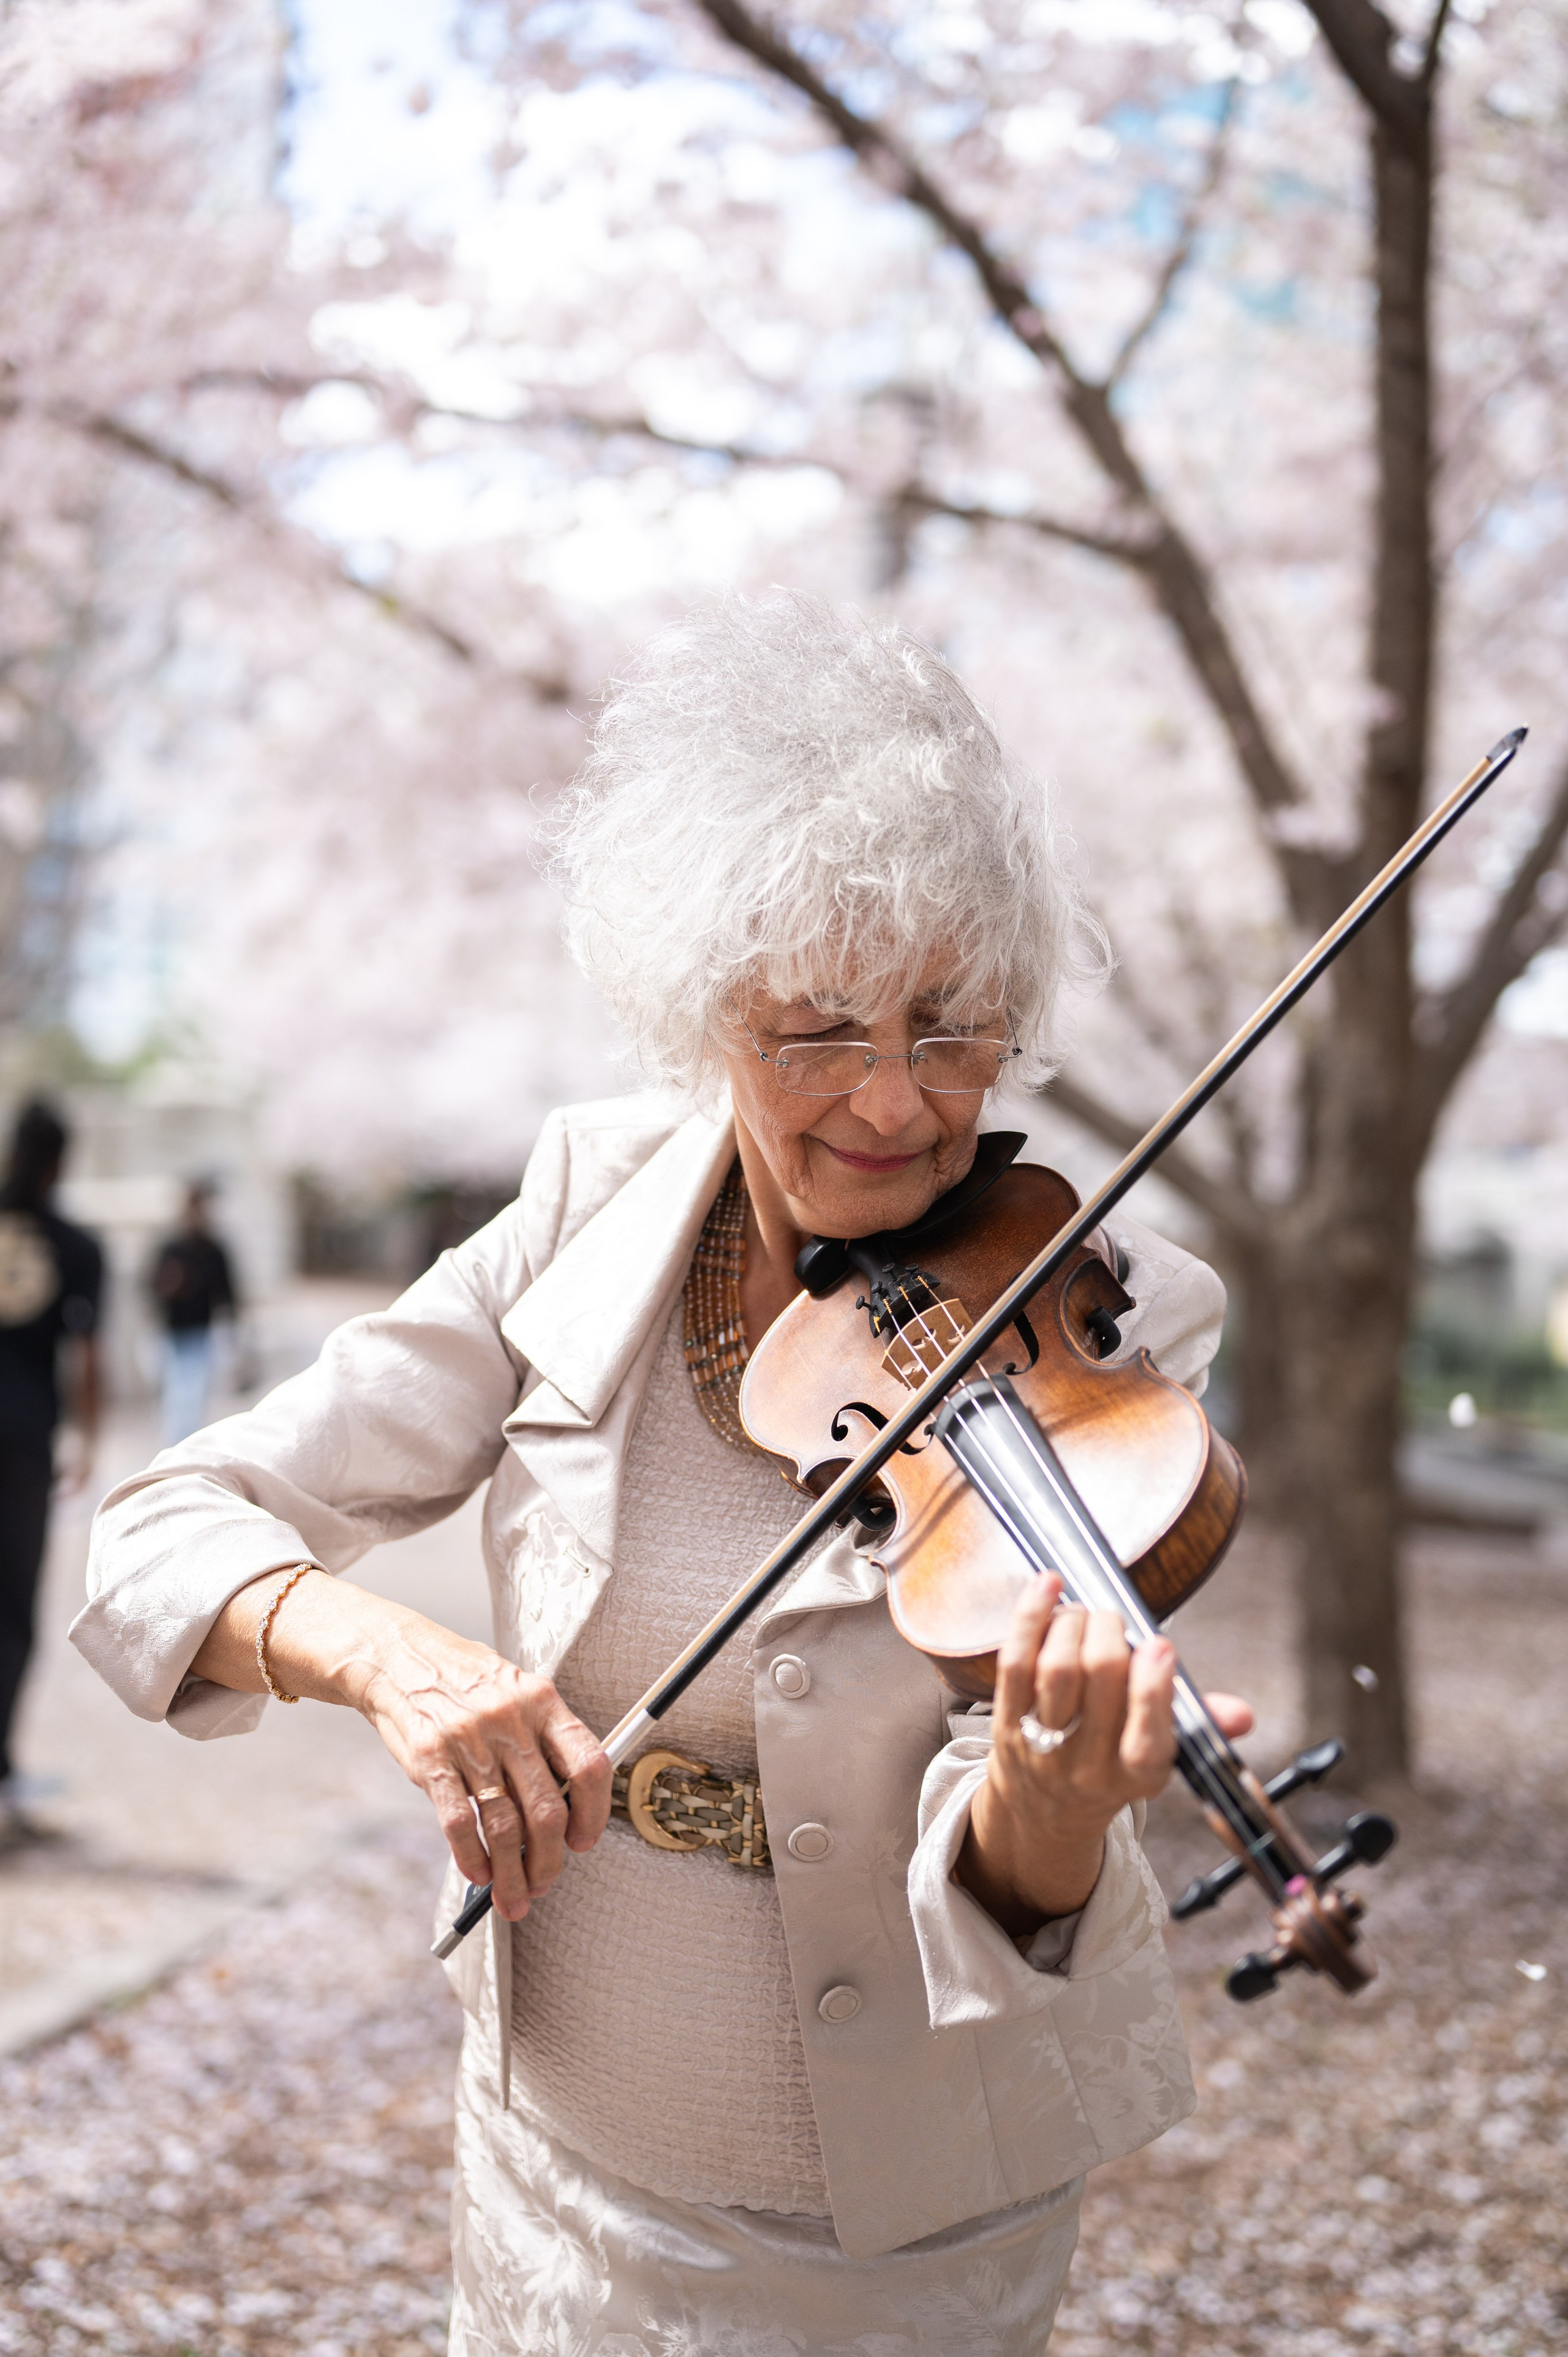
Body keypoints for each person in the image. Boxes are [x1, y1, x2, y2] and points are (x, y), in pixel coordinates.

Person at [75, 595, 1251, 2353]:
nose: (895, 1101)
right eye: (816, 1033)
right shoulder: (584, 1209)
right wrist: (391, 1659)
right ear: (706, 1011)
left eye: (954, 1025)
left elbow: (995, 1829)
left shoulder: (1111, 1309)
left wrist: (1055, 1810)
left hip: (917, 2210)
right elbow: (157, 1533)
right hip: (565, 2170)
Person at [0, 1098, 102, 1852]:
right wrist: (89, 1436)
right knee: (11, 1610)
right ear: (62, 1159)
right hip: (24, 1438)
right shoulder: (76, 1243)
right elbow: (87, 1354)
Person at [150, 1180, 239, 1446]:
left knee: (193, 1398)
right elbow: (150, 1286)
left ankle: (185, 1448)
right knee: (174, 1399)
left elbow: (228, 1293)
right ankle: (175, 1449)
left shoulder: (214, 1250)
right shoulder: (170, 1247)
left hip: (201, 1332)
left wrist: (236, 1335)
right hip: (170, 1332)